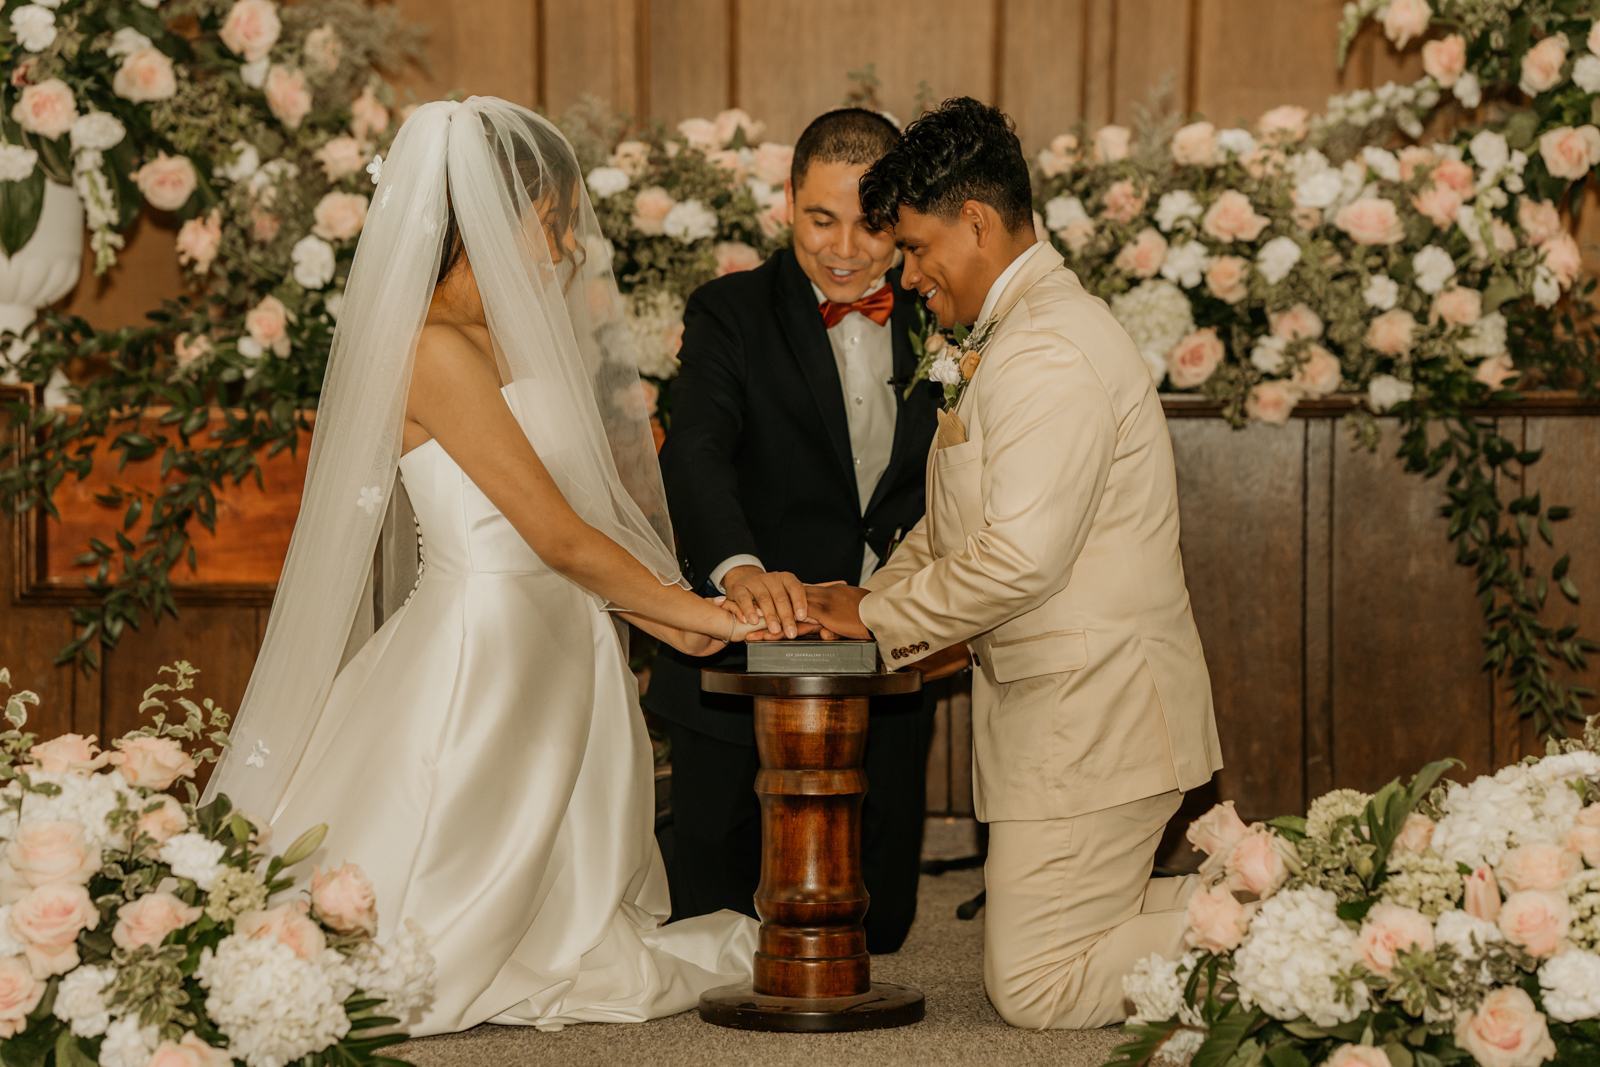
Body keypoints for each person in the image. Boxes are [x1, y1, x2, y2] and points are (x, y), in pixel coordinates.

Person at [205, 97, 760, 1036]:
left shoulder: (511, 335)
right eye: (555, 222)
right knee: (457, 847)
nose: (567, 247)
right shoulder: (429, 347)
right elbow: (553, 534)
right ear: (500, 217)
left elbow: (585, 519)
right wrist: (705, 615)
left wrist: (666, 614)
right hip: (486, 641)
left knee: (558, 851)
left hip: (561, 627)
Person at [801, 97, 1224, 1029]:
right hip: (1068, 709)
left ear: (977, 223)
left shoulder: (1046, 348)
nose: (908, 273)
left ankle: (1307, 930)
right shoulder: (1012, 331)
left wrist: (875, 621)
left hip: (1095, 711)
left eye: (916, 247)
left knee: (1038, 984)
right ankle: (1273, 898)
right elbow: (957, 526)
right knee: (1065, 942)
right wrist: (865, 598)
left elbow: (1019, 559)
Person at [645, 108, 943, 954]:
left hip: (884, 655)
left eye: (872, 224)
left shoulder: (942, 316)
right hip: (741, 656)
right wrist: (739, 570)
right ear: (786, 204)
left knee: (876, 928)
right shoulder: (728, 311)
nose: (846, 249)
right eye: (821, 219)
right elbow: (695, 451)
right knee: (713, 921)